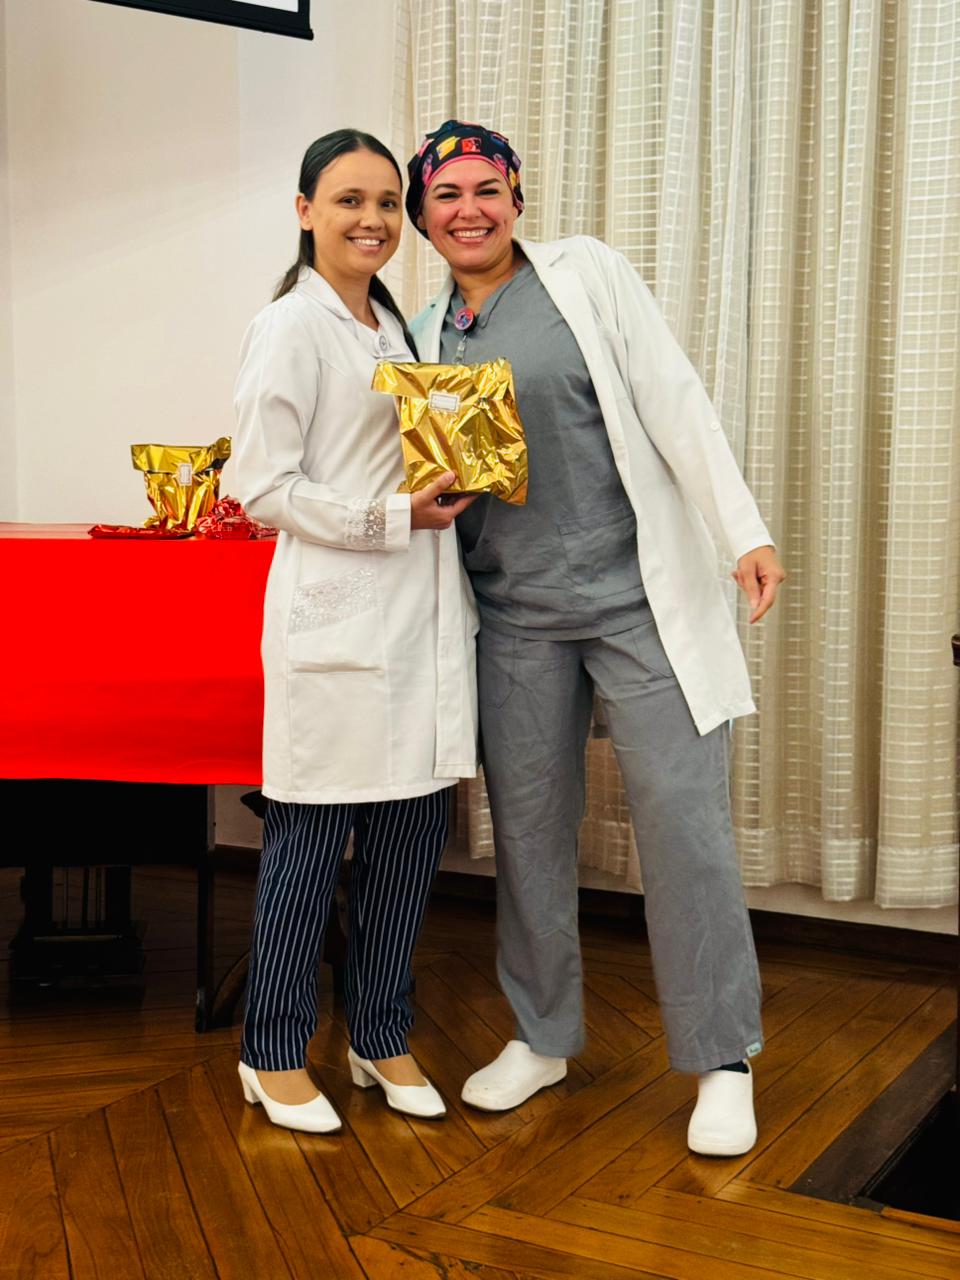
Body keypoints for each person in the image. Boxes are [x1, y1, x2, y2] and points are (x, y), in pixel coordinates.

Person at [406, 120, 786, 1156]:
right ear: (424, 219)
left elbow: (675, 400)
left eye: (486, 188)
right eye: (446, 195)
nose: (470, 209)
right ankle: (543, 1034)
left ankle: (722, 1058)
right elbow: (437, 487)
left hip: (639, 601)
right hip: (514, 616)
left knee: (684, 824)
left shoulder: (588, 276)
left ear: (517, 197)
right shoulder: (424, 336)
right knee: (529, 833)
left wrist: (743, 532)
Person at [231, 129, 478, 1132]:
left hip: (420, 617)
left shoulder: (395, 327)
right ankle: (272, 1050)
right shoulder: (290, 325)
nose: (371, 219)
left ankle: (379, 1034)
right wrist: (391, 517)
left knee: (410, 837)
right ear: (305, 211)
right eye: (348, 200)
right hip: (337, 617)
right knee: (310, 842)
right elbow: (260, 487)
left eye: (385, 202)